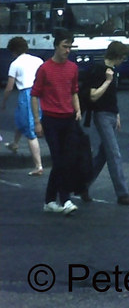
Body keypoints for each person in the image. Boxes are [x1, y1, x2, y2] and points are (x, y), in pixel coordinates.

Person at [30, 28, 82, 215]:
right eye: (64, 46)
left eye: (70, 47)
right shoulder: (45, 69)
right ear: (56, 46)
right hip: (51, 120)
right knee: (59, 160)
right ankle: (65, 200)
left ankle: (49, 200)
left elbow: (74, 90)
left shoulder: (72, 68)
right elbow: (34, 95)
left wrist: (78, 109)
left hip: (69, 119)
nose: (67, 50)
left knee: (64, 161)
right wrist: (37, 121)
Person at [81, 41, 129, 206]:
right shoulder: (98, 71)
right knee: (114, 153)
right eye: (123, 57)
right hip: (101, 115)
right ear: (117, 56)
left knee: (103, 155)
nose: (123, 61)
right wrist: (107, 81)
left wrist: (117, 114)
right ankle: (122, 193)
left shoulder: (113, 71)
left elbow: (112, 96)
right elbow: (93, 96)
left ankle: (83, 185)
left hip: (111, 114)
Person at [2, 37, 45, 176]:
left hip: (26, 94)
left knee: (30, 128)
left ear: (13, 51)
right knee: (20, 119)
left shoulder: (15, 64)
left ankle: (38, 165)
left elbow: (9, 87)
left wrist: (3, 102)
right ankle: (15, 144)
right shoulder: (38, 60)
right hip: (41, 92)